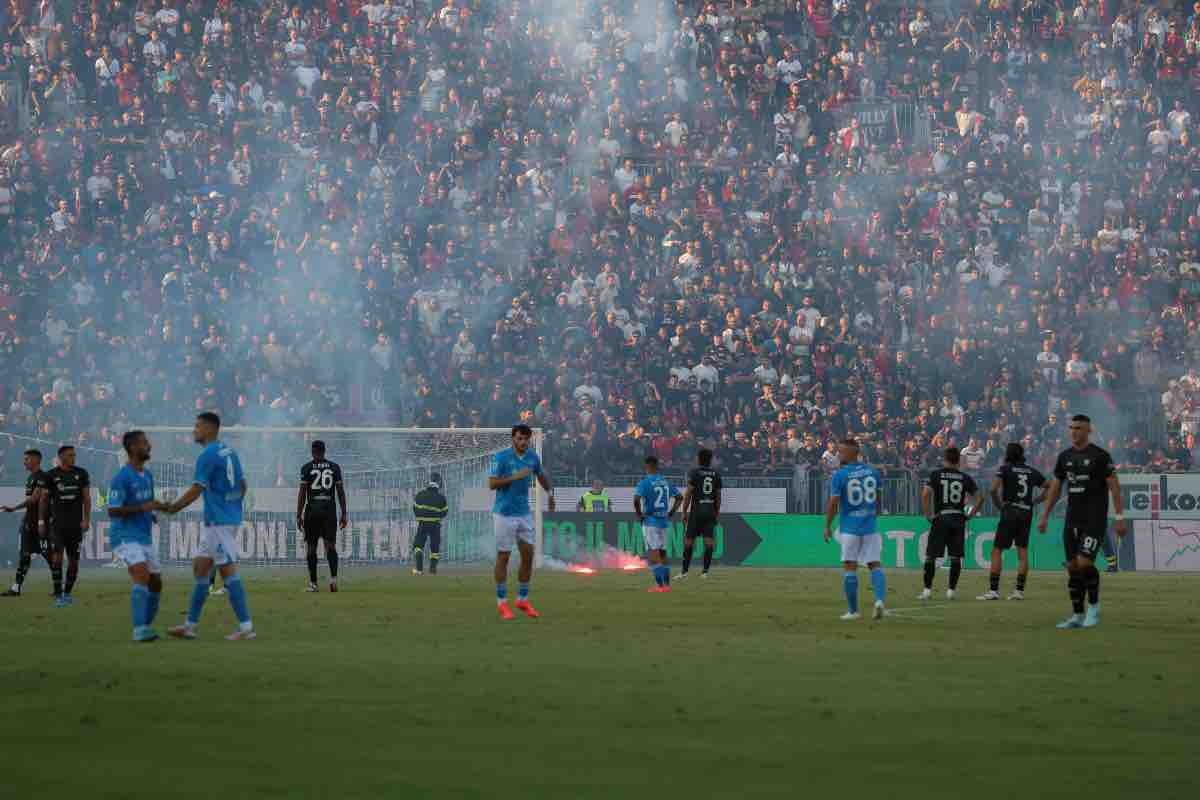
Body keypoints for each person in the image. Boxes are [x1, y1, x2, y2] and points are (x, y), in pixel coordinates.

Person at [163, 412, 256, 640]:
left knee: (227, 571)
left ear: (209, 428)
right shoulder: (230, 452)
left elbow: (197, 489)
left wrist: (173, 508)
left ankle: (246, 628)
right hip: (225, 519)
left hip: (219, 523)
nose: (194, 430)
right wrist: (231, 505)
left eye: (197, 426)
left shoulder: (207, 456)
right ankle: (189, 626)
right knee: (200, 567)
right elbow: (243, 485)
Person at [1038, 415, 1127, 629]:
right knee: (1072, 567)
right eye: (1072, 428)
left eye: (1078, 428)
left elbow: (1114, 486)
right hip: (1072, 518)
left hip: (1094, 519)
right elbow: (1056, 487)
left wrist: (1119, 517)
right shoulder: (1064, 457)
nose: (1074, 431)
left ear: (1089, 430)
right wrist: (1044, 515)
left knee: (1084, 563)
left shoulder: (1100, 456)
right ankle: (1077, 615)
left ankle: (1094, 608)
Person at [487, 424, 554, 620]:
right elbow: (492, 484)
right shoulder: (501, 457)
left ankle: (522, 599)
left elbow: (541, 476)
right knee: (504, 557)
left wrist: (550, 493)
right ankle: (502, 603)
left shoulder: (533, 458)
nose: (523, 442)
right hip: (504, 514)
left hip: (524, 513)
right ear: (513, 439)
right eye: (519, 439)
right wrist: (514, 477)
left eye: (526, 439)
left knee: (528, 556)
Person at [107, 431, 168, 642]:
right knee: (141, 575)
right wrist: (143, 507)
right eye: (144, 443)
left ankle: (146, 626)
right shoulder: (121, 477)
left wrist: (152, 513)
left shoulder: (148, 475)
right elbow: (112, 511)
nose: (149, 446)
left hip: (144, 536)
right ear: (132, 448)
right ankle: (139, 629)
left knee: (156, 582)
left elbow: (147, 504)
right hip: (123, 535)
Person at [824, 438, 886, 620]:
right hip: (870, 526)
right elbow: (878, 497)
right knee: (875, 564)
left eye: (841, 452)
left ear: (852, 453)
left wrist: (827, 525)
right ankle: (880, 601)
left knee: (850, 567)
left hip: (849, 528)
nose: (838, 455)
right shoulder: (873, 472)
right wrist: (876, 512)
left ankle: (853, 611)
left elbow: (834, 503)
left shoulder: (840, 475)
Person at [979, 443, 1045, 601]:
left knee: (997, 550)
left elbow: (993, 489)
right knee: (1022, 553)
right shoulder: (1031, 471)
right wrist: (1036, 501)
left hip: (1010, 512)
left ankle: (993, 591)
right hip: (1026, 512)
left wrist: (999, 505)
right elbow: (1050, 487)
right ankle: (1019, 591)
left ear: (1008, 454)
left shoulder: (1005, 469)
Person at [920, 447, 984, 600]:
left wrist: (928, 514)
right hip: (958, 519)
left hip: (941, 518)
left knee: (931, 556)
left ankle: (927, 591)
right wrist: (971, 514)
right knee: (955, 557)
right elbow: (981, 498)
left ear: (945, 459)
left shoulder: (936, 475)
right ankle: (951, 591)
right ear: (958, 461)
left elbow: (925, 494)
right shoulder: (964, 477)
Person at [297, 440, 348, 592]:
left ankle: (313, 584)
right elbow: (340, 492)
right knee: (330, 546)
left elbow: (302, 493)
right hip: (329, 511)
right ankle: (333, 581)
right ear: (325, 451)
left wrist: (298, 515)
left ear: (313, 452)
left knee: (311, 548)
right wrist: (344, 513)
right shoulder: (334, 467)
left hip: (312, 511)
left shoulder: (306, 468)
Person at [0, 450, 52, 598]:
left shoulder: (42, 477)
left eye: (27, 459)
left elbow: (34, 499)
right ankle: (16, 588)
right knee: (25, 555)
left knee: (48, 554)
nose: (24, 462)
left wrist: (14, 508)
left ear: (36, 460)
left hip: (39, 524)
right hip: (29, 523)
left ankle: (59, 585)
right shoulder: (30, 478)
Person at [46, 445, 91, 606]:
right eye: (70, 455)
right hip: (57, 524)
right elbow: (44, 500)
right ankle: (58, 595)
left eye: (74, 455)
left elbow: (86, 498)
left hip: (75, 525)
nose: (74, 458)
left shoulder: (81, 473)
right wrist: (41, 521)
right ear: (61, 457)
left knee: (74, 562)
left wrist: (86, 519)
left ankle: (67, 594)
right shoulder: (51, 475)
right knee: (57, 558)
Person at [634, 455, 682, 592]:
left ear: (647, 467)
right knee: (663, 553)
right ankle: (667, 585)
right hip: (664, 522)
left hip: (650, 521)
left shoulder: (644, 482)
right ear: (657, 466)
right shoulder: (666, 482)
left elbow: (636, 500)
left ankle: (660, 586)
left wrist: (639, 515)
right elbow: (680, 497)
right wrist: (671, 512)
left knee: (652, 554)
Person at [679, 448, 722, 579]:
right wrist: (717, 512)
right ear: (710, 460)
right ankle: (705, 572)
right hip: (709, 512)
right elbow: (718, 496)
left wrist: (684, 511)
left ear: (699, 459)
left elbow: (688, 494)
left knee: (688, 542)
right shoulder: (716, 474)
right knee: (709, 543)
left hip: (696, 512)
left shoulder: (695, 472)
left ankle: (684, 572)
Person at [412, 472, 448, 575]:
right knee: (435, 548)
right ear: (439, 483)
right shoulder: (441, 498)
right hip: (435, 525)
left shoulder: (420, 494)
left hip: (423, 524)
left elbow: (415, 508)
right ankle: (432, 570)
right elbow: (444, 512)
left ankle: (419, 569)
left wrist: (421, 517)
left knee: (418, 546)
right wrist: (436, 517)